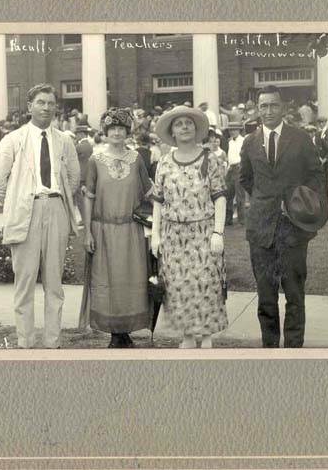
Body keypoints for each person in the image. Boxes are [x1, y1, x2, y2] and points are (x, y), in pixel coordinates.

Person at [0, 83, 80, 349]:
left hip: (56, 209)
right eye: (40, 102)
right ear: (29, 107)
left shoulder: (64, 141)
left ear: (56, 108)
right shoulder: (13, 139)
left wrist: (57, 201)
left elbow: (74, 178)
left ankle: (53, 342)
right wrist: (17, 202)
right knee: (25, 281)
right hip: (25, 212)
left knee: (54, 283)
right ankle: (25, 342)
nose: (46, 108)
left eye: (50, 103)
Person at [239, 86, 327, 348]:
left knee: (294, 295)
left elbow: (316, 175)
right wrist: (265, 202)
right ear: (257, 109)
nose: (268, 111)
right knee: (266, 296)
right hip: (261, 229)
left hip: (293, 229)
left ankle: (293, 350)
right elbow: (246, 179)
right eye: (263, 106)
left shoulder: (300, 138)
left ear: (283, 107)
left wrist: (301, 204)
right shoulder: (250, 142)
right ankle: (270, 348)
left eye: (274, 105)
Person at [151, 105, 229, 349]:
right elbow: (158, 202)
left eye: (188, 123)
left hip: (203, 232)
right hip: (173, 235)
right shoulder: (164, 162)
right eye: (178, 124)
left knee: (206, 283)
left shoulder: (210, 159)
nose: (184, 127)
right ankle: (186, 336)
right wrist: (155, 236)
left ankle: (206, 338)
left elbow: (220, 197)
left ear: (196, 129)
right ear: (172, 131)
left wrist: (218, 232)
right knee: (179, 285)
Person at [82, 108, 153, 348]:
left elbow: (150, 191)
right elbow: (89, 197)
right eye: (112, 128)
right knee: (108, 280)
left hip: (131, 230)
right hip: (104, 231)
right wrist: (87, 232)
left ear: (127, 131)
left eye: (121, 129)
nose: (116, 133)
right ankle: (114, 333)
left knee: (131, 280)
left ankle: (126, 331)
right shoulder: (95, 160)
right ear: (105, 132)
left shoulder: (136, 159)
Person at [225, 121, 247, 226]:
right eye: (230, 130)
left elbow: (246, 156)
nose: (232, 132)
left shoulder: (243, 141)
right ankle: (228, 219)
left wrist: (243, 167)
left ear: (239, 130)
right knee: (228, 194)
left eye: (234, 129)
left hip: (239, 167)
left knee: (239, 195)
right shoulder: (230, 142)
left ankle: (241, 220)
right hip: (231, 168)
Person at [305, 125, 328, 201]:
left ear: (314, 132)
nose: (310, 134)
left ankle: (324, 203)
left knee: (323, 185)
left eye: (311, 132)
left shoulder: (320, 141)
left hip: (321, 168)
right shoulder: (303, 142)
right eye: (308, 132)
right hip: (309, 168)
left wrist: (325, 159)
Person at [74, 123, 93, 222]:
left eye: (77, 134)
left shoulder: (79, 146)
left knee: (80, 200)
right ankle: (87, 218)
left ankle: (84, 219)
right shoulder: (90, 145)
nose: (76, 136)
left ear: (81, 134)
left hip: (81, 176)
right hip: (88, 175)